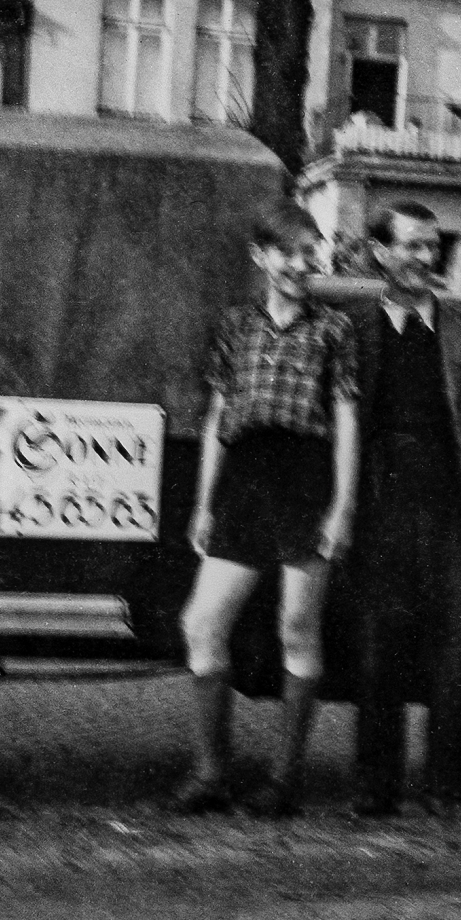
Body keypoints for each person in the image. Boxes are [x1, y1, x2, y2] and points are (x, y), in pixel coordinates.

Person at [172, 201, 360, 817]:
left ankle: (285, 781)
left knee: (297, 628)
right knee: (202, 624)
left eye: (310, 253)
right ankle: (211, 774)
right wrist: (205, 504)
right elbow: (218, 418)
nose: (300, 266)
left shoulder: (333, 330)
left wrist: (342, 508)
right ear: (261, 257)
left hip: (305, 481)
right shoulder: (236, 326)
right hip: (246, 483)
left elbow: (346, 422)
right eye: (287, 254)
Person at [345, 201, 461, 818]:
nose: (424, 257)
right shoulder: (353, 330)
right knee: (377, 651)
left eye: (431, 246)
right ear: (380, 253)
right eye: (411, 246)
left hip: (451, 511)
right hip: (378, 510)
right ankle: (376, 789)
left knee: (453, 650)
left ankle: (448, 789)